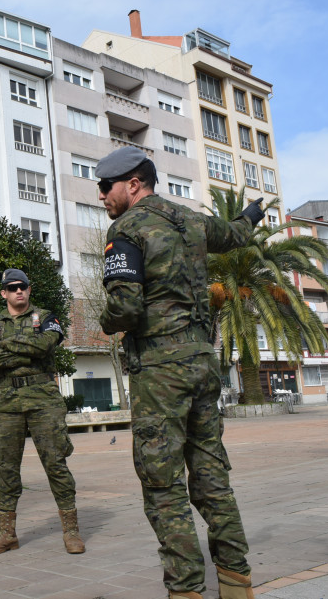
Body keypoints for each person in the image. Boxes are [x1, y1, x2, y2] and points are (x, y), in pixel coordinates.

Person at [95, 146, 265, 599]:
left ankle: (187, 590)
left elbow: (125, 308)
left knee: (162, 483)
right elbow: (235, 235)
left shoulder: (125, 229)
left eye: (104, 187)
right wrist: (252, 214)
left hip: (159, 372)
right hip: (202, 365)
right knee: (212, 476)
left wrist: (106, 321)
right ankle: (236, 581)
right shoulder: (190, 221)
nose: (100, 196)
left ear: (133, 183)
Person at [0, 268, 84, 555]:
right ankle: (7, 533)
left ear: (29, 289)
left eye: (23, 286)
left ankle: (71, 531)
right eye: (12, 288)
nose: (18, 291)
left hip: (43, 399)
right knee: (7, 467)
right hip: (7, 401)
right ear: (4, 293)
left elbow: (46, 343)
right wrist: (29, 347)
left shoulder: (47, 317)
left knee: (55, 463)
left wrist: (9, 347)